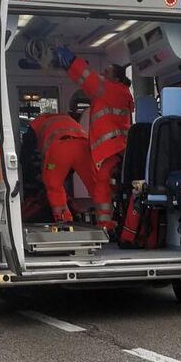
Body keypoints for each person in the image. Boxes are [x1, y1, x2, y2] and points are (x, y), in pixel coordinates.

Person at [55, 46, 134, 232]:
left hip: (108, 148)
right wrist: (68, 68)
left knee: (101, 187)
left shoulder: (109, 89)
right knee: (106, 186)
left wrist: (71, 61)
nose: (102, 74)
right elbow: (85, 82)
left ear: (115, 77)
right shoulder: (119, 92)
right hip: (115, 147)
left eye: (106, 72)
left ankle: (105, 223)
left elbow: (88, 77)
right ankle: (109, 221)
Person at [21, 113, 105, 223]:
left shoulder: (36, 124)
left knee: (54, 186)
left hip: (59, 150)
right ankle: (106, 221)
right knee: (96, 186)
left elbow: (26, 155)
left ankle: (64, 220)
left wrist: (27, 173)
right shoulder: (66, 119)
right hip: (83, 147)